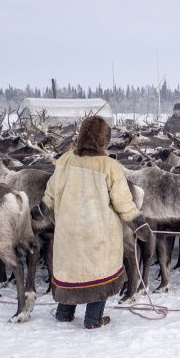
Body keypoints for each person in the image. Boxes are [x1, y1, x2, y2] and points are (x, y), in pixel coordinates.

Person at [42, 115, 152, 328]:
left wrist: (42, 208)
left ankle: (64, 312)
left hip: (68, 230)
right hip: (97, 232)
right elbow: (123, 203)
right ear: (104, 140)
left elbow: (51, 192)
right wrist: (139, 225)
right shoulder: (109, 166)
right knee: (97, 270)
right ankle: (93, 319)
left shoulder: (64, 160)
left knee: (71, 268)